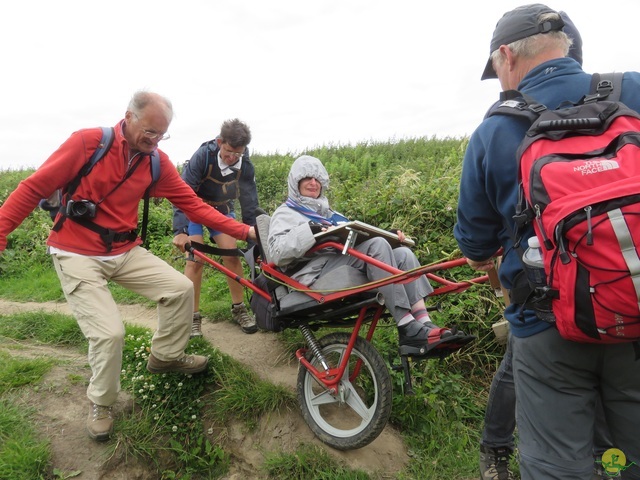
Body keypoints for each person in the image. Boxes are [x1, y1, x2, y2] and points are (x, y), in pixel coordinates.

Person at [0, 91, 256, 443]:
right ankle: (101, 404)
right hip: (75, 250)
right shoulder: (88, 143)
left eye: (161, 135)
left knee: (179, 289)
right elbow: (33, 188)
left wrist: (246, 231)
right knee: (109, 333)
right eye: (149, 132)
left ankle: (165, 356)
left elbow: (194, 206)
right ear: (128, 117)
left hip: (123, 249)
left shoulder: (156, 162)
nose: (153, 141)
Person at [454, 4, 640, 479]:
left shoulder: (494, 132)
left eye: (496, 71)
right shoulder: (632, 91)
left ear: (505, 57)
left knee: (558, 464)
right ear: (569, 49)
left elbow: (476, 247)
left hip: (547, 326)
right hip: (635, 306)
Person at [268, 155, 472, 353]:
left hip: (338, 261)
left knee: (403, 254)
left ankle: (424, 322)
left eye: (317, 179)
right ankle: (405, 324)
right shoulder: (285, 213)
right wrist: (309, 230)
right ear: (296, 182)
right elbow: (276, 253)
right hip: (312, 272)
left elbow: (357, 236)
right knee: (377, 245)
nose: (313, 183)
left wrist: (389, 235)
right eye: (307, 178)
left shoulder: (330, 214)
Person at [173, 119, 259, 337]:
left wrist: (252, 239)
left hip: (221, 211)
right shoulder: (203, 156)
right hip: (194, 209)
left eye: (237, 154)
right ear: (220, 141)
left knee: (231, 254)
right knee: (196, 259)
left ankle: (239, 309)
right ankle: (192, 316)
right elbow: (182, 194)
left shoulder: (245, 166)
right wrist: (181, 231)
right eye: (228, 151)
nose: (232, 158)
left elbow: (249, 203)